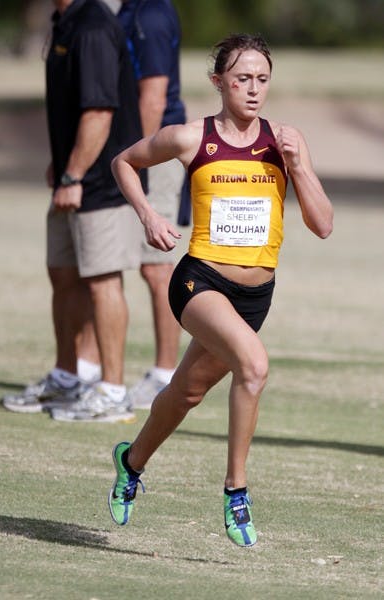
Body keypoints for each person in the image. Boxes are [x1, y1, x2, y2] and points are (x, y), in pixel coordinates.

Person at [106, 33, 334, 546]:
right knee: (253, 366)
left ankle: (131, 461)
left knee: (185, 393)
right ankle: (236, 491)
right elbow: (124, 162)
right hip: (199, 282)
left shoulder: (286, 140)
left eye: (262, 79)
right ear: (218, 82)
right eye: (241, 79)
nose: (253, 90)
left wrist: (297, 167)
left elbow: (323, 225)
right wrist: (148, 214)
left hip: (255, 297)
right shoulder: (190, 138)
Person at [3, 0, 145, 423]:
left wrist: (75, 175)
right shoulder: (64, 22)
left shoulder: (94, 26)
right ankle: (67, 378)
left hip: (100, 182)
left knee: (102, 282)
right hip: (73, 177)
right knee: (63, 275)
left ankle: (113, 390)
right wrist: (62, 165)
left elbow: (100, 113)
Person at [116, 0, 186, 409]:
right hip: (137, 149)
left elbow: (154, 96)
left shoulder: (151, 13)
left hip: (153, 149)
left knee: (156, 265)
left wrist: (136, 162)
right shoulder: (127, 10)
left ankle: (165, 373)